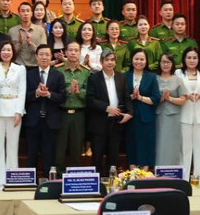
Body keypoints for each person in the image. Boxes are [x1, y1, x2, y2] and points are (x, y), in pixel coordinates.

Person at [86, 49, 132, 174]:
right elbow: (90, 99)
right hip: (99, 123)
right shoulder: (93, 78)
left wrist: (129, 113)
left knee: (113, 156)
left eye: (112, 60)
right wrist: (107, 108)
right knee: (97, 156)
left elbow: (126, 97)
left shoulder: (121, 77)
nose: (110, 62)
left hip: (116, 122)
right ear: (101, 62)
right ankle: (98, 181)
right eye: (107, 60)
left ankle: (112, 181)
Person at [0, 40, 26, 190]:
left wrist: (19, 111)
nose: (6, 53)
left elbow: (22, 91)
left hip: (14, 111)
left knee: (12, 147)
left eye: (9, 50)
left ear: (13, 52)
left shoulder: (20, 69)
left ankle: (12, 182)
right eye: (3, 50)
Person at [24, 45, 66, 175]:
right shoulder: (28, 74)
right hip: (32, 121)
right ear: (36, 56)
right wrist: (36, 93)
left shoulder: (58, 75)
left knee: (49, 155)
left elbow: (63, 97)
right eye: (41, 54)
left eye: (47, 54)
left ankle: (49, 182)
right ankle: (31, 183)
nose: (44, 57)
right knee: (31, 154)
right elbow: (23, 96)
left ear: (51, 57)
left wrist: (49, 94)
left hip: (51, 122)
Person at [175, 47, 200, 181]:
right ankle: (184, 180)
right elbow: (176, 91)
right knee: (184, 148)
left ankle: (199, 179)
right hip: (184, 114)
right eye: (189, 57)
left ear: (199, 59)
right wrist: (187, 95)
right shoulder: (178, 73)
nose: (192, 60)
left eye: (194, 58)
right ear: (184, 59)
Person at [55, 41, 90, 172]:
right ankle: (58, 177)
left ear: (80, 53)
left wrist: (79, 92)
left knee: (76, 148)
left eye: (76, 50)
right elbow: (54, 92)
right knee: (59, 148)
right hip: (61, 114)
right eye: (70, 50)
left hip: (79, 114)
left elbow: (90, 95)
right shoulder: (57, 70)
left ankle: (75, 176)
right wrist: (67, 91)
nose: (73, 53)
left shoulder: (86, 72)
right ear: (65, 52)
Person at [125, 48, 161, 168]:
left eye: (142, 59)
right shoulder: (125, 76)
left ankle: (145, 173)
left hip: (147, 117)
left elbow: (156, 99)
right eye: (136, 59)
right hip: (130, 117)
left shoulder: (151, 77)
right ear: (132, 60)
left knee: (146, 145)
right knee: (131, 144)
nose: (139, 62)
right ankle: (132, 172)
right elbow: (121, 98)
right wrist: (132, 96)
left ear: (146, 61)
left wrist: (140, 97)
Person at [155, 53, 186, 166]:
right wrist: (160, 99)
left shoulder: (178, 80)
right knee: (159, 144)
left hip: (174, 118)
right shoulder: (154, 78)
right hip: (158, 116)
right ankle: (159, 171)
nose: (166, 64)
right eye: (163, 62)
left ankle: (173, 171)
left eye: (168, 62)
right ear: (159, 63)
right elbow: (151, 98)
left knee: (173, 144)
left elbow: (183, 100)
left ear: (172, 64)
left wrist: (169, 98)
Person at [10, 2, 47, 69]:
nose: (25, 13)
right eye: (23, 11)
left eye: (28, 11)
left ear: (32, 13)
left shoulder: (40, 30)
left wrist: (30, 44)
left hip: (35, 66)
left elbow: (43, 52)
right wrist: (19, 44)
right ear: (19, 14)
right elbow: (10, 53)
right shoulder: (12, 31)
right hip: (18, 66)